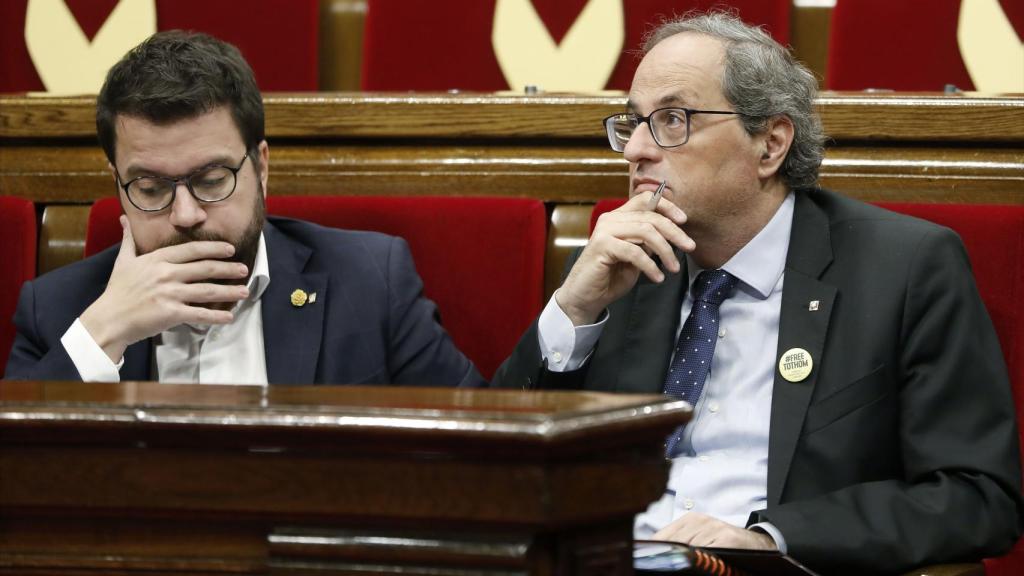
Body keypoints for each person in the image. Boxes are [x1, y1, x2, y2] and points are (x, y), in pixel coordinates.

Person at [491, 11, 1022, 574]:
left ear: (770, 145)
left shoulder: (905, 268)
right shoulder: (617, 269)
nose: (635, 151)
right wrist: (573, 308)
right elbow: (492, 472)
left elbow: (975, 497)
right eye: (634, 122)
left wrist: (774, 538)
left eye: (672, 120)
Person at [5, 31, 484, 388]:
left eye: (212, 180)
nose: (186, 214)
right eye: (150, 188)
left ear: (261, 167)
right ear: (117, 181)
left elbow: (484, 456)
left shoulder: (369, 282)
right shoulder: (59, 311)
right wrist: (103, 332)